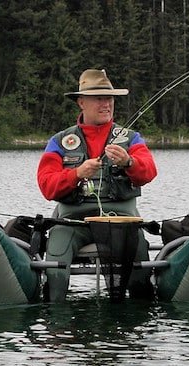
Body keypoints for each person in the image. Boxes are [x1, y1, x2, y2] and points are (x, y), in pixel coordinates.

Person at [37, 69, 158, 302]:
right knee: (55, 262)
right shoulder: (59, 142)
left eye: (109, 98)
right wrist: (76, 174)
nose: (106, 104)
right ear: (81, 102)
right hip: (72, 222)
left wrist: (128, 162)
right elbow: (46, 185)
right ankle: (55, 319)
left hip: (122, 222)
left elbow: (149, 172)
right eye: (98, 98)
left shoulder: (131, 139)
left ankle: (138, 317)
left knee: (139, 257)